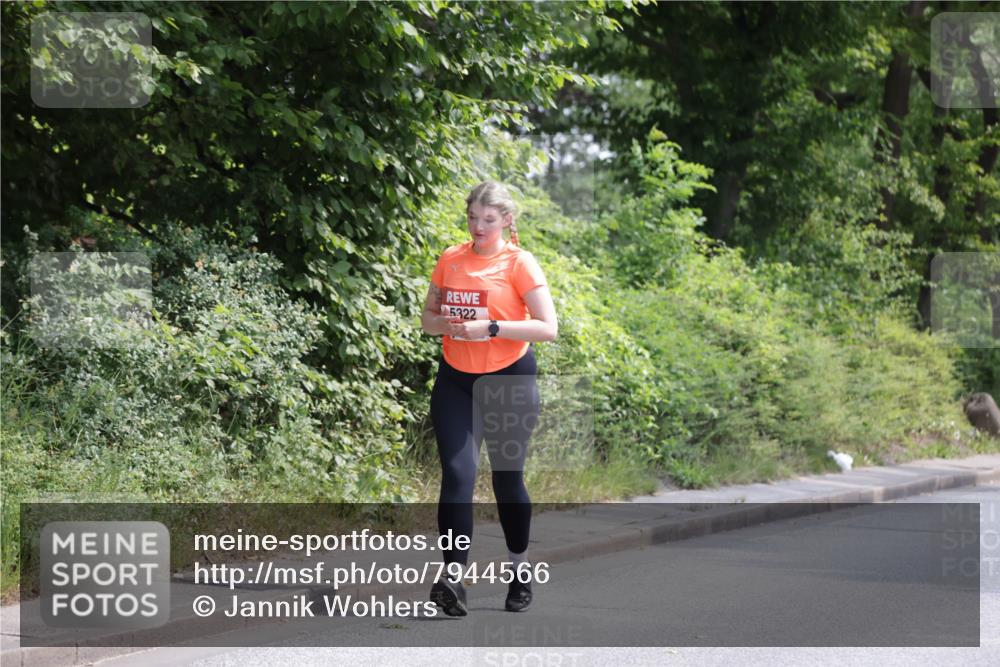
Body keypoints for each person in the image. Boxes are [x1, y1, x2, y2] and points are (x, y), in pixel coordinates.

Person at [420, 180, 558, 616]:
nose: (479, 227)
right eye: (472, 218)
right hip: (456, 380)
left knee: (507, 479)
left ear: (506, 220)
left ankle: (519, 569)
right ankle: (452, 580)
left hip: (508, 380)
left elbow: (547, 327)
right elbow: (427, 320)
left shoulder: (519, 263)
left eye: (489, 219)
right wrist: (447, 323)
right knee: (458, 474)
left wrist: (492, 328)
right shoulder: (450, 258)